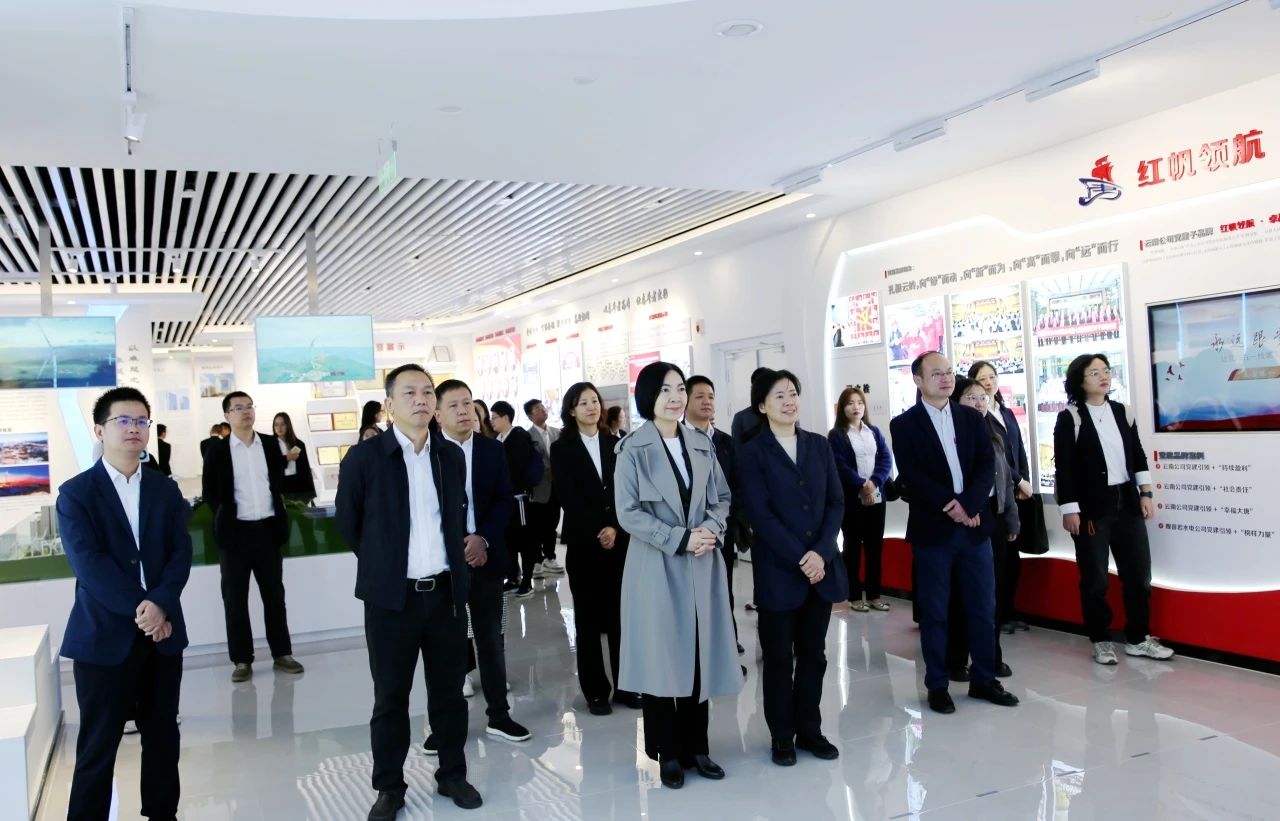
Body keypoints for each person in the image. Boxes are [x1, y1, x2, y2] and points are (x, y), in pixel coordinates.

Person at [335, 364, 483, 815]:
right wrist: (384, 565)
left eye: (427, 392)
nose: (421, 400)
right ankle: (389, 787)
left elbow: (454, 518)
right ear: (389, 405)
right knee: (390, 699)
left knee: (449, 694)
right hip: (391, 601)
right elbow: (350, 524)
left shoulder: (449, 456)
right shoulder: (364, 459)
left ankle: (452, 775)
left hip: (445, 595)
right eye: (410, 393)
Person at [57, 387, 192, 821]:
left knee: (163, 737)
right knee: (98, 746)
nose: (134, 428)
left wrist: (161, 603)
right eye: (123, 420)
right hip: (103, 638)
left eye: (141, 421)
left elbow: (180, 553)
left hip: (162, 638)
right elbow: (89, 565)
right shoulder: (76, 493)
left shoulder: (164, 489)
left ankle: (162, 814)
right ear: (100, 430)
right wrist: (147, 610)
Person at [615, 362, 739, 788]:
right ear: (648, 396)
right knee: (661, 657)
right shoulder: (633, 449)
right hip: (657, 565)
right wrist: (679, 538)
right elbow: (628, 512)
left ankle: (696, 748)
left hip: (702, 562)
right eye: (665, 390)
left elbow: (722, 497)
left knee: (698, 655)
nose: (676, 397)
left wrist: (712, 529)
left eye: (681, 389)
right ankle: (667, 753)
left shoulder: (700, 443)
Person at [889, 352, 1017, 715]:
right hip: (934, 530)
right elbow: (913, 475)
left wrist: (971, 506)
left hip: (975, 529)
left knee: (983, 607)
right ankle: (938, 684)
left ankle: (984, 679)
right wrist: (953, 506)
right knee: (936, 611)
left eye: (949, 372)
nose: (946, 379)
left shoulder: (971, 417)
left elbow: (985, 465)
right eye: (936, 374)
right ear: (918, 380)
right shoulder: (904, 425)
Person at [738, 369, 848, 766]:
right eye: (779, 396)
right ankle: (782, 735)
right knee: (779, 658)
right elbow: (760, 515)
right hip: (779, 572)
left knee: (814, 655)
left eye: (793, 394)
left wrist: (821, 552)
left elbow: (836, 502)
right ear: (762, 406)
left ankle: (810, 730)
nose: (789, 401)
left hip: (821, 569)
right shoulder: (752, 453)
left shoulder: (819, 445)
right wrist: (803, 557)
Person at [423, 379, 530, 749]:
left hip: (487, 559)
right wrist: (458, 545)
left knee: (491, 641)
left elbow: (503, 499)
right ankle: (444, 726)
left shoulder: (491, 449)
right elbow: (424, 511)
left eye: (467, 403)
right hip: (443, 565)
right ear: (438, 414)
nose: (463, 411)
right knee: (445, 647)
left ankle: (499, 715)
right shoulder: (427, 453)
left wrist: (482, 537)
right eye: (453, 405)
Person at [1054, 353, 1173, 665]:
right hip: (1091, 508)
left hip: (1127, 502)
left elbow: (1138, 454)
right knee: (1096, 579)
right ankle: (1101, 639)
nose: (1103, 377)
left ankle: (1138, 637)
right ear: (1080, 380)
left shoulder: (1123, 412)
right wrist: (1069, 509)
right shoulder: (1071, 418)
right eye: (1094, 373)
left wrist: (1146, 492)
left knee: (1138, 575)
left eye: (1106, 371)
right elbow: (1064, 469)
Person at [550, 382, 640, 715]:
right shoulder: (562, 449)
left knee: (620, 618)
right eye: (583, 402)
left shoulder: (615, 444)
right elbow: (568, 496)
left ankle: (627, 686)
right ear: (571, 410)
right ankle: (596, 692)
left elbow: (626, 491)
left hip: (619, 542)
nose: (591, 407)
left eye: (594, 401)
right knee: (588, 620)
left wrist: (615, 526)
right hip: (584, 544)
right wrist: (597, 530)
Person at [202, 391, 304, 682]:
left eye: (249, 406)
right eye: (238, 408)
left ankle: (282, 653)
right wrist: (226, 517)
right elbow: (210, 492)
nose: (245, 411)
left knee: (274, 596)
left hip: (268, 531)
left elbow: (278, 482)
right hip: (235, 535)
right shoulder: (217, 450)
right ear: (227, 415)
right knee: (235, 600)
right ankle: (242, 660)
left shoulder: (270, 444)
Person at [947, 377, 1020, 680]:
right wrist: (970, 508)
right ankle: (956, 658)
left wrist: (1012, 517)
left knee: (993, 593)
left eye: (983, 397)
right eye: (970, 397)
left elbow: (1006, 481)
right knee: (963, 593)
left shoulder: (994, 433)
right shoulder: (952, 435)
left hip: (994, 516)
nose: (979, 403)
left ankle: (991, 657)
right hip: (964, 517)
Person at [969, 360, 1033, 634]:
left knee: (1010, 558)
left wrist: (1024, 479)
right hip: (996, 493)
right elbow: (999, 461)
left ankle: (1008, 611)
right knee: (995, 561)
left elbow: (1018, 450)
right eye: (982, 379)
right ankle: (997, 616)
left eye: (992, 377)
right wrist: (1017, 480)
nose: (989, 383)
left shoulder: (1005, 412)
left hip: (1011, 493)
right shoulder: (978, 419)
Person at [684, 375, 744, 653]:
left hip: (720, 530)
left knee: (723, 588)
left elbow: (736, 487)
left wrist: (723, 523)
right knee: (691, 594)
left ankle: (726, 645)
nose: (707, 401)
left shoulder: (726, 442)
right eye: (699, 396)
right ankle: (697, 650)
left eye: (710, 396)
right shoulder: (675, 440)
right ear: (685, 401)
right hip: (688, 533)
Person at [827, 386, 892, 613]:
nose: (856, 407)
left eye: (860, 402)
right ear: (842, 408)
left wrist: (874, 482)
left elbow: (886, 458)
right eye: (850, 403)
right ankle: (854, 596)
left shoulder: (873, 431)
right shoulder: (837, 435)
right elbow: (840, 465)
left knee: (875, 548)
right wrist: (861, 485)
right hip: (852, 499)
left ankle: (874, 595)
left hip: (877, 497)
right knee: (853, 547)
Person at [491, 401, 541, 598]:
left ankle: (527, 581)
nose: (492, 421)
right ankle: (513, 577)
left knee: (524, 540)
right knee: (508, 540)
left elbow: (518, 468)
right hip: (504, 500)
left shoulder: (518, 437)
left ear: (505, 417)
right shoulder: (498, 439)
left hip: (519, 499)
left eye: (495, 417)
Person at [524, 399, 563, 576]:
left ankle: (550, 557)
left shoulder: (557, 433)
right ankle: (537, 559)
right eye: (538, 408)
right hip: (539, 489)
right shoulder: (527, 436)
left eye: (542, 407)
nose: (543, 410)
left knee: (552, 523)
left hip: (556, 487)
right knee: (537, 525)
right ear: (530, 415)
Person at [272, 412, 317, 504]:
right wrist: (286, 458)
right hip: (281, 488)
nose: (279, 428)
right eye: (276, 425)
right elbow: (270, 466)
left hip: (298, 488)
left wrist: (310, 493)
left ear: (288, 425)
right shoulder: (270, 444)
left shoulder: (299, 444)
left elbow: (305, 470)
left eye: (283, 424)